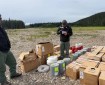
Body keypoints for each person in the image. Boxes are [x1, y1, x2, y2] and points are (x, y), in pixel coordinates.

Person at [0, 14, 22, 85]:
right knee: (1, 68)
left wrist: (8, 44)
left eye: (0, 18)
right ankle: (3, 82)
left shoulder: (1, 28)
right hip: (0, 51)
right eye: (0, 18)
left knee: (12, 62)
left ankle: (13, 74)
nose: (1, 20)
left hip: (6, 49)